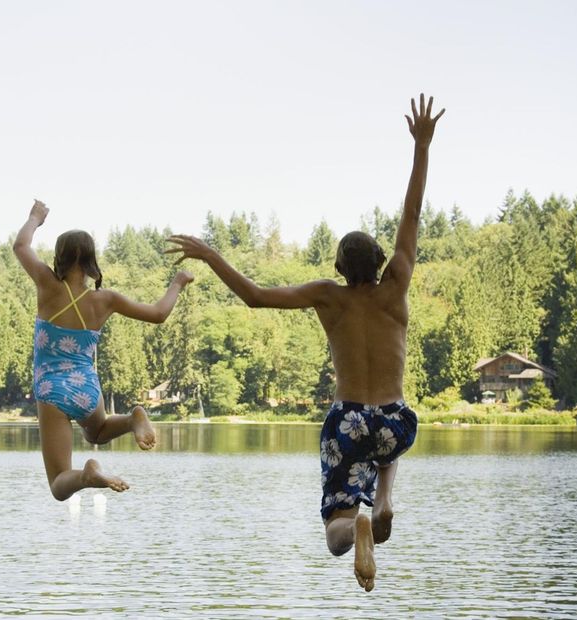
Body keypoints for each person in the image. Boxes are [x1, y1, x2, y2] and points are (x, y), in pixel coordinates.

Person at [166, 94, 444, 592]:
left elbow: (254, 296)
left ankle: (356, 521)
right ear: (380, 260)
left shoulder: (326, 297)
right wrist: (421, 146)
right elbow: (414, 211)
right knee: (388, 438)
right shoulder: (396, 283)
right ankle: (382, 498)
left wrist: (210, 254)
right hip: (398, 420)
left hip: (349, 419)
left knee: (334, 526)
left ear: (339, 268)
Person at [14, 199, 193, 500]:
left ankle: (86, 475)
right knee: (95, 432)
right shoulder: (105, 300)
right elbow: (158, 314)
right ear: (91, 262)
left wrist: (35, 218)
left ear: (59, 258)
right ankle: (132, 418)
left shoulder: (47, 284)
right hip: (86, 386)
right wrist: (177, 282)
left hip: (51, 389)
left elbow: (21, 246)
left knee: (59, 483)